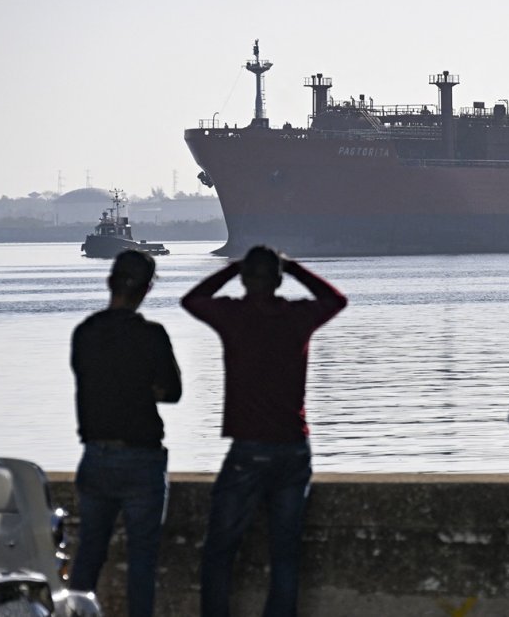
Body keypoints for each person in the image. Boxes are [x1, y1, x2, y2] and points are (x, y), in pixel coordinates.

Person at [182, 246, 347, 617]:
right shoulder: (297, 316)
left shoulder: (232, 315)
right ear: (278, 280)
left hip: (248, 449)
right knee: (285, 554)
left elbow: (192, 299)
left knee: (220, 550)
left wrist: (234, 268)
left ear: (245, 280)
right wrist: (294, 268)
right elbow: (336, 299)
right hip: (293, 447)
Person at [70, 250, 181, 617]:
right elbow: (173, 392)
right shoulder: (153, 336)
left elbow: (91, 377)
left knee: (88, 554)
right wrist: (146, 387)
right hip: (142, 459)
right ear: (147, 289)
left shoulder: (85, 333)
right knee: (142, 562)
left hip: (96, 455)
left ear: (109, 282)